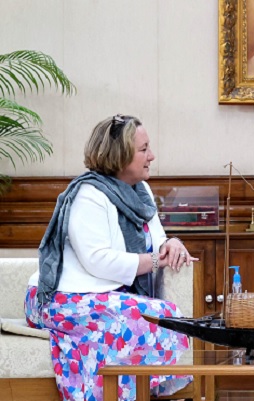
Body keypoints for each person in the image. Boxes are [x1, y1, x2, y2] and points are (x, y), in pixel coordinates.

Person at [24, 114, 197, 401]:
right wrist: (156, 260)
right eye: (143, 150)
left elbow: (158, 239)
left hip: (99, 294)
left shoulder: (140, 192)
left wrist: (174, 243)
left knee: (165, 316)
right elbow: (99, 261)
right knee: (152, 318)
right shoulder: (89, 194)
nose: (151, 156)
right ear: (119, 156)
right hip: (59, 297)